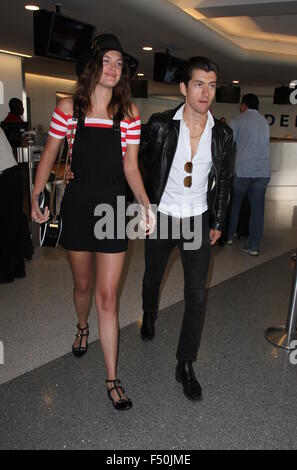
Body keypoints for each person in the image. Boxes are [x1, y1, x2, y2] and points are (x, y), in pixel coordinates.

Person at [31, 34, 155, 411]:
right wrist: (35, 196)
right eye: (108, 60)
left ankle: (112, 379)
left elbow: (132, 168)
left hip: (115, 208)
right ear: (93, 66)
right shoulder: (68, 109)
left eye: (120, 63)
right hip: (79, 204)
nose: (115, 68)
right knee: (82, 285)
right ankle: (82, 327)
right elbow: (50, 154)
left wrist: (146, 205)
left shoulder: (130, 114)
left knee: (108, 296)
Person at [139, 57, 233, 401]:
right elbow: (135, 160)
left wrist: (219, 221)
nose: (206, 92)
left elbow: (224, 181)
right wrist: (141, 204)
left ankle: (185, 363)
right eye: (198, 84)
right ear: (183, 88)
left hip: (197, 220)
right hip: (162, 216)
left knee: (196, 295)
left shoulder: (222, 133)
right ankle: (149, 313)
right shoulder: (161, 125)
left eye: (211, 84)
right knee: (153, 276)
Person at [226, 93, 270, 255]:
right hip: (262, 172)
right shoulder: (264, 122)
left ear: (244, 105)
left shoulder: (238, 120)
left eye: (240, 105)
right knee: (258, 211)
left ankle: (229, 237)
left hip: (243, 171)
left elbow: (228, 144)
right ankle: (253, 246)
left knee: (235, 206)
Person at [0, 127, 25, 283]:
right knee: (13, 224)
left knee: (5, 226)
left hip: (4, 178)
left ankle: (6, 273)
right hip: (13, 175)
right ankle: (17, 269)